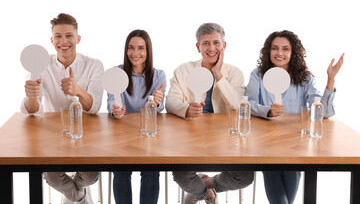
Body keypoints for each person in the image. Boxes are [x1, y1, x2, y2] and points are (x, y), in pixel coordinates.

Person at [245, 30, 344, 204]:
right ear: (269, 51)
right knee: (272, 168)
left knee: (292, 169)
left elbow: (323, 113)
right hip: (265, 142)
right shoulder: (258, 75)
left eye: (285, 49)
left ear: (293, 52)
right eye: (275, 48)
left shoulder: (305, 78)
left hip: (295, 143)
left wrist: (331, 80)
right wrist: (267, 110)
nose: (279, 53)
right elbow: (247, 105)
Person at [166, 23, 254, 203]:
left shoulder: (234, 73)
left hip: (226, 137)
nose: (211, 48)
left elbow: (239, 105)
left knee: (245, 176)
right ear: (198, 47)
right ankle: (205, 194)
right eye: (206, 43)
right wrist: (186, 110)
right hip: (190, 136)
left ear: (224, 46)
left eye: (216, 43)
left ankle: (205, 183)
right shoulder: (183, 71)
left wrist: (218, 74)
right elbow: (170, 102)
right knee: (181, 174)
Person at [21, 13, 104, 204]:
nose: (63, 41)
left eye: (68, 35)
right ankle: (79, 196)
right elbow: (33, 110)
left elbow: (95, 106)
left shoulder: (94, 65)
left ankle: (71, 195)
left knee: (91, 176)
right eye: (58, 36)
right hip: (52, 136)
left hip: (87, 135)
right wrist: (31, 96)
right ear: (52, 40)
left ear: (78, 39)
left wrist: (78, 91)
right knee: (51, 175)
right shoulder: (40, 65)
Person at [107, 29, 166, 204]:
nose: (135, 53)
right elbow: (111, 100)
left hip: (148, 134)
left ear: (148, 51)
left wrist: (156, 102)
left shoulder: (158, 75)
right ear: (126, 50)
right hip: (122, 133)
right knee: (121, 169)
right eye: (131, 48)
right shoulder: (116, 73)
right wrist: (115, 109)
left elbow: (158, 107)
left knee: (151, 169)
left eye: (141, 48)